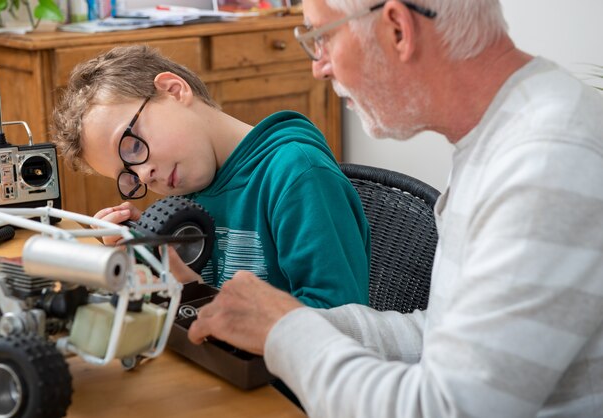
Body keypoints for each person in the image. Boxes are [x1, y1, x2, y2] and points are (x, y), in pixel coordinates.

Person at [186, 0, 603, 417]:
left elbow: (445, 409)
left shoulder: (546, 162)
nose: (319, 66)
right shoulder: (506, 132)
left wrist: (284, 331)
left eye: (321, 37)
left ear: (398, 29)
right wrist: (284, 318)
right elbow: (438, 336)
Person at [51, 45, 370, 309]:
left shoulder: (297, 175)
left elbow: (342, 322)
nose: (145, 174)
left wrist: (193, 289)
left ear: (173, 90)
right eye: (129, 176)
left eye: (132, 146)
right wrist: (151, 257)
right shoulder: (189, 190)